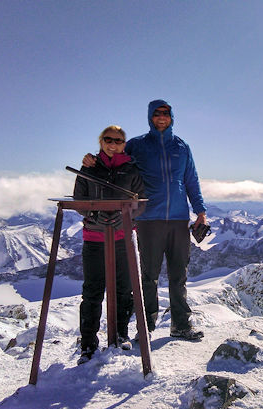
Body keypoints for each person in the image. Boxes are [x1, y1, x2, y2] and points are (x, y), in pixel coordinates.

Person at [83, 99, 206, 341]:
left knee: (178, 274)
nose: (162, 117)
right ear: (150, 117)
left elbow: (191, 179)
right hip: (148, 219)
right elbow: (113, 162)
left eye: (166, 113)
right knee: (148, 275)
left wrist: (200, 211)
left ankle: (180, 325)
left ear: (172, 117)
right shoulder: (137, 145)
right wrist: (91, 161)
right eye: (157, 114)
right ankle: (146, 327)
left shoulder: (182, 147)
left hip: (180, 218)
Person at [73, 125, 145, 364]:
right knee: (92, 291)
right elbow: (79, 201)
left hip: (123, 237)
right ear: (101, 141)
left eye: (118, 140)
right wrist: (96, 214)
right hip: (95, 237)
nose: (113, 144)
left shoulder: (132, 170)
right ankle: (88, 344)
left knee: (124, 289)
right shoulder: (89, 167)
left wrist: (126, 217)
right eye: (108, 139)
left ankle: (121, 335)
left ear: (124, 144)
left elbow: (142, 203)